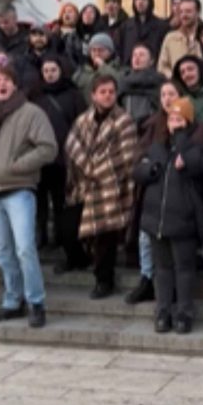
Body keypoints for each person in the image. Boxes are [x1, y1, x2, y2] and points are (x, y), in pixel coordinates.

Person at [0, 66, 57, 328]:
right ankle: (13, 300)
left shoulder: (31, 113)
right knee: (3, 252)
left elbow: (48, 148)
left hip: (20, 189)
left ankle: (36, 302)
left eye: (6, 80)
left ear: (15, 84)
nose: (1, 85)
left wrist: (16, 165)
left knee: (25, 248)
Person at [135, 97, 203, 334]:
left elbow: (202, 165)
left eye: (179, 119)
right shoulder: (157, 147)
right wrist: (150, 169)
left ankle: (184, 313)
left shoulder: (195, 147)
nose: (174, 123)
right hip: (157, 219)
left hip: (183, 220)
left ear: (188, 122)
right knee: (162, 269)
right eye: (171, 119)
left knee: (184, 269)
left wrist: (181, 143)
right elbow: (139, 169)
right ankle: (163, 311)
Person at [65, 75, 140, 300]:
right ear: (93, 95)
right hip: (84, 186)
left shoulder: (124, 121)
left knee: (105, 236)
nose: (107, 95)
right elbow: (72, 144)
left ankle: (104, 280)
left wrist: (95, 170)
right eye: (103, 91)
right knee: (77, 231)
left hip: (111, 186)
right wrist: (86, 170)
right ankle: (90, 266)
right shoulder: (83, 120)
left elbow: (125, 156)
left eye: (111, 91)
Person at [32, 55, 86, 257]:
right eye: (46, 71)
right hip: (40, 157)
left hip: (64, 156)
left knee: (61, 200)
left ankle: (60, 237)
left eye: (53, 70)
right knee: (40, 201)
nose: (49, 74)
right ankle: (41, 235)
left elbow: (81, 123)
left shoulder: (73, 95)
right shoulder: (36, 96)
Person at [119, 43, 165, 131]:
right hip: (127, 128)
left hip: (151, 128)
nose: (137, 58)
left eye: (141, 55)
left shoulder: (159, 81)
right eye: (134, 55)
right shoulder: (123, 81)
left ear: (151, 61)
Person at [172, 55, 203, 133]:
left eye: (190, 69)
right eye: (182, 72)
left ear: (200, 70)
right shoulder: (181, 100)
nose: (186, 74)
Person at [118, 0, 168, 65]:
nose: (140, 2)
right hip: (129, 70)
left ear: (150, 2)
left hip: (153, 69)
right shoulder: (126, 26)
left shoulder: (161, 26)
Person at [157, 0, 203, 77]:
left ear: (198, 13)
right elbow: (162, 66)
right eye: (181, 12)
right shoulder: (170, 38)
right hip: (176, 86)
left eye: (188, 11)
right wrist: (175, 77)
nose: (184, 15)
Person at [73, 33, 125, 100]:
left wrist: (103, 67)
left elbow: (121, 84)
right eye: (93, 50)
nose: (97, 53)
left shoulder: (118, 68)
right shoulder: (82, 70)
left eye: (101, 50)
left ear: (110, 52)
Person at [50, 3, 87, 69]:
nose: (66, 14)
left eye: (70, 11)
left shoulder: (82, 34)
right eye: (64, 12)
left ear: (77, 16)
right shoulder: (54, 34)